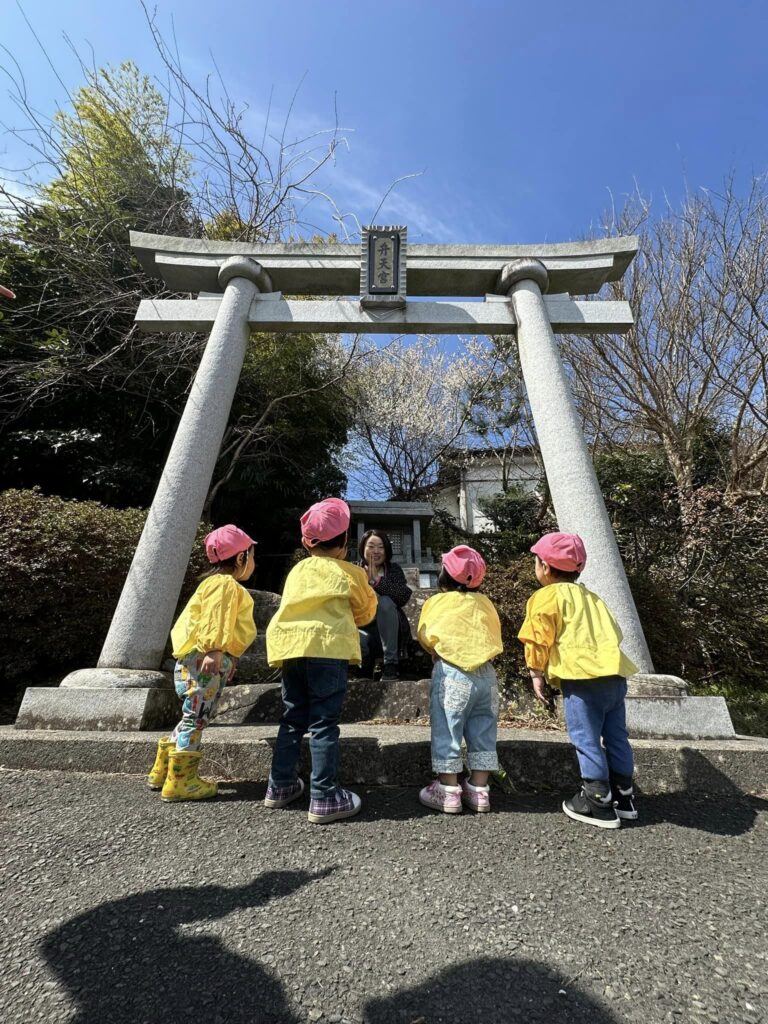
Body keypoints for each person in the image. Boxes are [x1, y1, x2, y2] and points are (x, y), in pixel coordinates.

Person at [264, 497, 377, 823]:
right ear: (345, 541)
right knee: (323, 723)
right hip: (328, 650)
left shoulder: (297, 570)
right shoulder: (351, 572)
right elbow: (366, 612)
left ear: (305, 542)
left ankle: (280, 785)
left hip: (292, 649)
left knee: (292, 718)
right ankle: (325, 796)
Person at [518, 532, 639, 829]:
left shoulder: (544, 597)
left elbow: (537, 638)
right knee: (616, 736)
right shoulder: (592, 597)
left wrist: (536, 673)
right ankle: (624, 797)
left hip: (580, 678)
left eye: (536, 562)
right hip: (614, 675)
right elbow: (615, 633)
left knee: (586, 740)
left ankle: (597, 801)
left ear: (545, 567)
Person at [147, 524, 257, 802]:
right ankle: (181, 782)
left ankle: (163, 772)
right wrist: (215, 650)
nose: (253, 562)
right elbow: (216, 619)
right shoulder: (225, 585)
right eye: (252, 555)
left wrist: (223, 656)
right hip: (204, 659)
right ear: (241, 558)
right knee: (196, 719)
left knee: (189, 716)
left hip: (193, 658)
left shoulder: (210, 583)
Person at [417, 545, 503, 814]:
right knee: (483, 731)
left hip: (452, 672)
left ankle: (449, 791)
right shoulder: (486, 603)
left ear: (443, 576)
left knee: (448, 729)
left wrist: (434, 649)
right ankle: (479, 791)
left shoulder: (437, 602)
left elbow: (425, 634)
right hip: (487, 675)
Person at [358, 529, 413, 680]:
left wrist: (377, 581)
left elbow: (403, 596)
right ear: (363, 548)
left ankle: (391, 665)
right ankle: (363, 669)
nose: (376, 551)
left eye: (381, 547)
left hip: (391, 632)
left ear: (387, 550)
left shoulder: (393, 570)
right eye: (371, 546)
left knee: (386, 602)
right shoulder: (354, 571)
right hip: (363, 630)